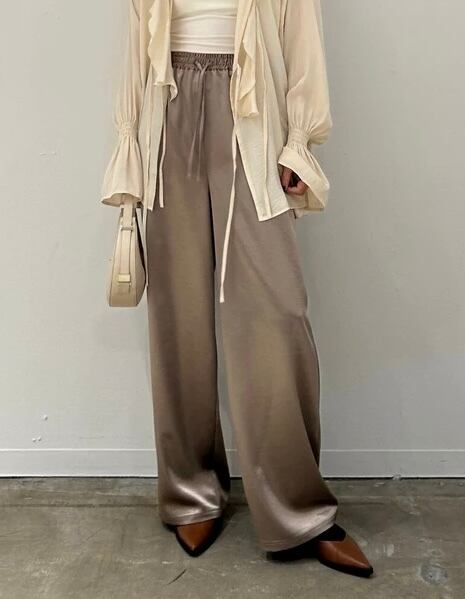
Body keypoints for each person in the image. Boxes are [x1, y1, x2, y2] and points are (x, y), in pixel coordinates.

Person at [101, 0, 373, 578]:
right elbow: (136, 40)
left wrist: (299, 140)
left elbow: (302, 39)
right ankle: (191, 492)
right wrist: (129, 146)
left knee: (277, 314)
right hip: (168, 107)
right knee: (179, 318)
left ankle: (299, 509)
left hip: (251, 110)